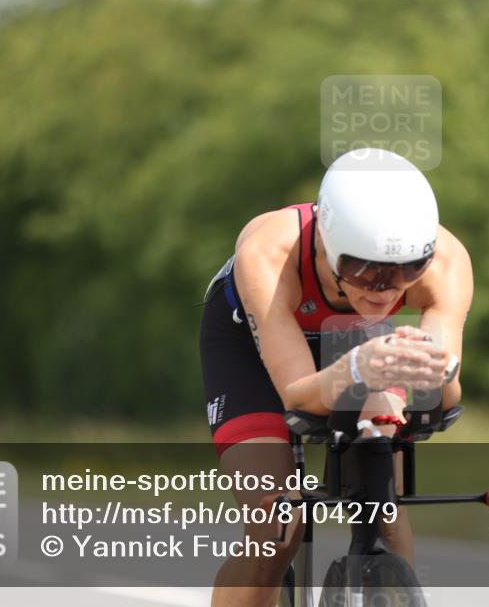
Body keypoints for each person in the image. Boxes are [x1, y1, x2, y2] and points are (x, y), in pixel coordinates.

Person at [199, 148, 473, 607]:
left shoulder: (446, 261)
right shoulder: (269, 253)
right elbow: (299, 396)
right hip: (251, 342)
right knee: (276, 531)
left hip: (356, 342)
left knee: (385, 512)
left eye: (408, 269)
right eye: (364, 269)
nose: (385, 289)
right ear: (327, 245)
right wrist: (356, 369)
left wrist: (427, 372)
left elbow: (445, 393)